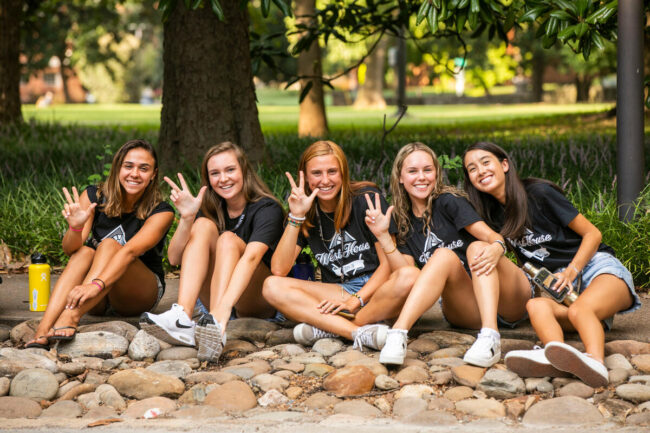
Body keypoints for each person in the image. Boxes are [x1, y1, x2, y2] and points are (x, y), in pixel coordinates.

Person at [462, 141, 640, 387]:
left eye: (485, 162)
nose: (480, 171)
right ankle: (555, 356)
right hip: (562, 288)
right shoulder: (491, 216)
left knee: (581, 310)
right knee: (536, 306)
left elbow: (593, 234)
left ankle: (595, 362)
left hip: (596, 268)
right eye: (472, 168)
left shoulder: (539, 193)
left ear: (504, 165)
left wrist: (572, 270)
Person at [369, 142, 531, 367]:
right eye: (413, 171)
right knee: (444, 256)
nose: (421, 177)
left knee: (476, 247)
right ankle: (399, 334)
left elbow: (491, 236)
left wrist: (497, 247)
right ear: (400, 177)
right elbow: (404, 272)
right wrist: (384, 236)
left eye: (428, 170)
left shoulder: (449, 201)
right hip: (467, 306)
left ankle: (490, 338)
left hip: (507, 297)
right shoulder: (402, 220)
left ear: (436, 173)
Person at [262, 140, 414, 351]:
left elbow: (388, 264)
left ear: (343, 173)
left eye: (332, 171)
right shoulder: (307, 210)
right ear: (305, 177)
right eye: (317, 173)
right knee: (272, 286)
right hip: (338, 290)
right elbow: (279, 269)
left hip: (377, 287)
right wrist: (296, 216)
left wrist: (354, 302)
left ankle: (328, 327)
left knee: (408, 275)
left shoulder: (366, 198)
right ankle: (356, 332)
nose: (325, 180)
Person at [140, 142, 284, 363]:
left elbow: (253, 258)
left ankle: (217, 324)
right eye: (215, 173)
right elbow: (174, 258)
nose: (223, 179)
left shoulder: (267, 208)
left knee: (227, 239)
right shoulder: (210, 209)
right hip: (216, 299)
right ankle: (184, 316)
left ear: (244, 170)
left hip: (257, 299)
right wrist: (187, 218)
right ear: (208, 179)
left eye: (230, 170)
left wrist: (223, 309)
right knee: (202, 226)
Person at [24, 139, 174, 349]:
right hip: (95, 296)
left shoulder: (162, 211)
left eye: (144, 168)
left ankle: (71, 315)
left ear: (153, 174)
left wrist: (95, 285)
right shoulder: (94, 196)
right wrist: (75, 227)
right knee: (84, 252)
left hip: (136, 292)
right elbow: (70, 250)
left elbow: (130, 252)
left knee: (110, 245)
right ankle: (42, 330)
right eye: (128, 166)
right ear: (118, 167)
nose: (135, 174)